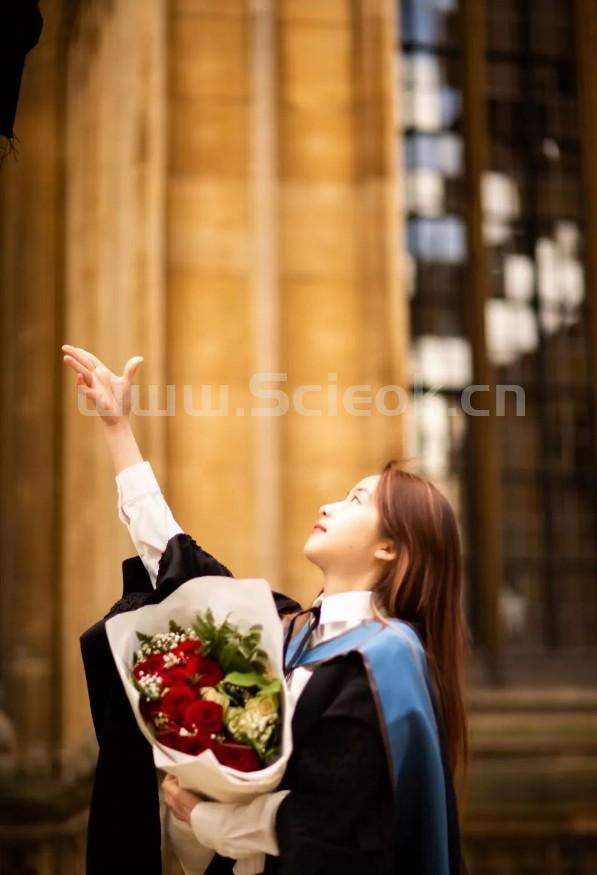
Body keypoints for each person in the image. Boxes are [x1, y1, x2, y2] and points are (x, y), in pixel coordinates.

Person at [63, 344, 470, 875]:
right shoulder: (292, 631)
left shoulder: (386, 662)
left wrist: (210, 821)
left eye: (356, 501)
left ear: (390, 548)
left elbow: (342, 829)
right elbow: (178, 563)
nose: (328, 505)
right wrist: (118, 430)